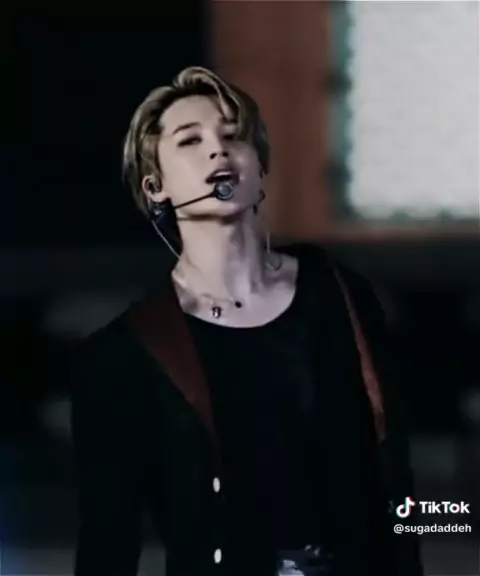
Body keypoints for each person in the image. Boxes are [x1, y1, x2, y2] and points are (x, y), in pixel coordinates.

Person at [70, 66, 423, 576]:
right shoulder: (126, 354)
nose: (219, 150)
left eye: (234, 136)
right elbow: (108, 542)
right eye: (190, 140)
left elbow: (396, 482)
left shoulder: (337, 294)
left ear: (259, 167)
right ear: (156, 186)